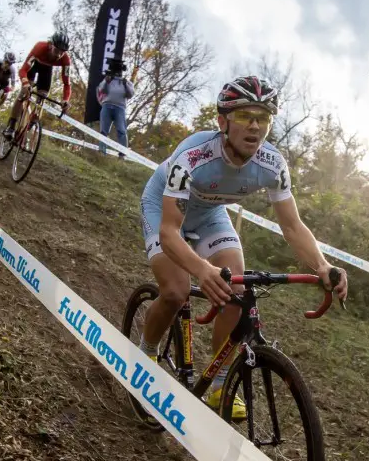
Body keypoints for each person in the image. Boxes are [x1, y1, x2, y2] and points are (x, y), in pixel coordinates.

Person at [139, 75, 348, 419]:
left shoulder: (273, 164)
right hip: (163, 210)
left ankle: (219, 383)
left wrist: (322, 266)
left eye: (263, 118)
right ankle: (144, 353)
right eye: (243, 116)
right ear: (222, 121)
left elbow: (292, 225)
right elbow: (170, 232)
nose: (254, 126)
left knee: (236, 285)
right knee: (177, 291)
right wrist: (201, 270)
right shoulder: (192, 155)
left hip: (209, 213)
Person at [3, 30, 71, 140]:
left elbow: (67, 83)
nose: (58, 55)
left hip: (47, 70)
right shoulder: (40, 47)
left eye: (62, 52)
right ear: (50, 45)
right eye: (57, 50)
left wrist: (65, 100)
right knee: (23, 93)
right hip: (34, 66)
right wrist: (25, 83)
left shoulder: (66, 60)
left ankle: (29, 125)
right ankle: (11, 126)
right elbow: (23, 70)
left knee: (42, 98)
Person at [97, 58, 134, 155]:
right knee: (103, 131)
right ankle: (102, 152)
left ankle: (122, 154)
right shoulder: (108, 80)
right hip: (107, 106)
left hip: (120, 108)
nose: (117, 72)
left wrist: (125, 85)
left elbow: (130, 95)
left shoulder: (126, 82)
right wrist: (106, 81)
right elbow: (102, 90)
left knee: (122, 131)